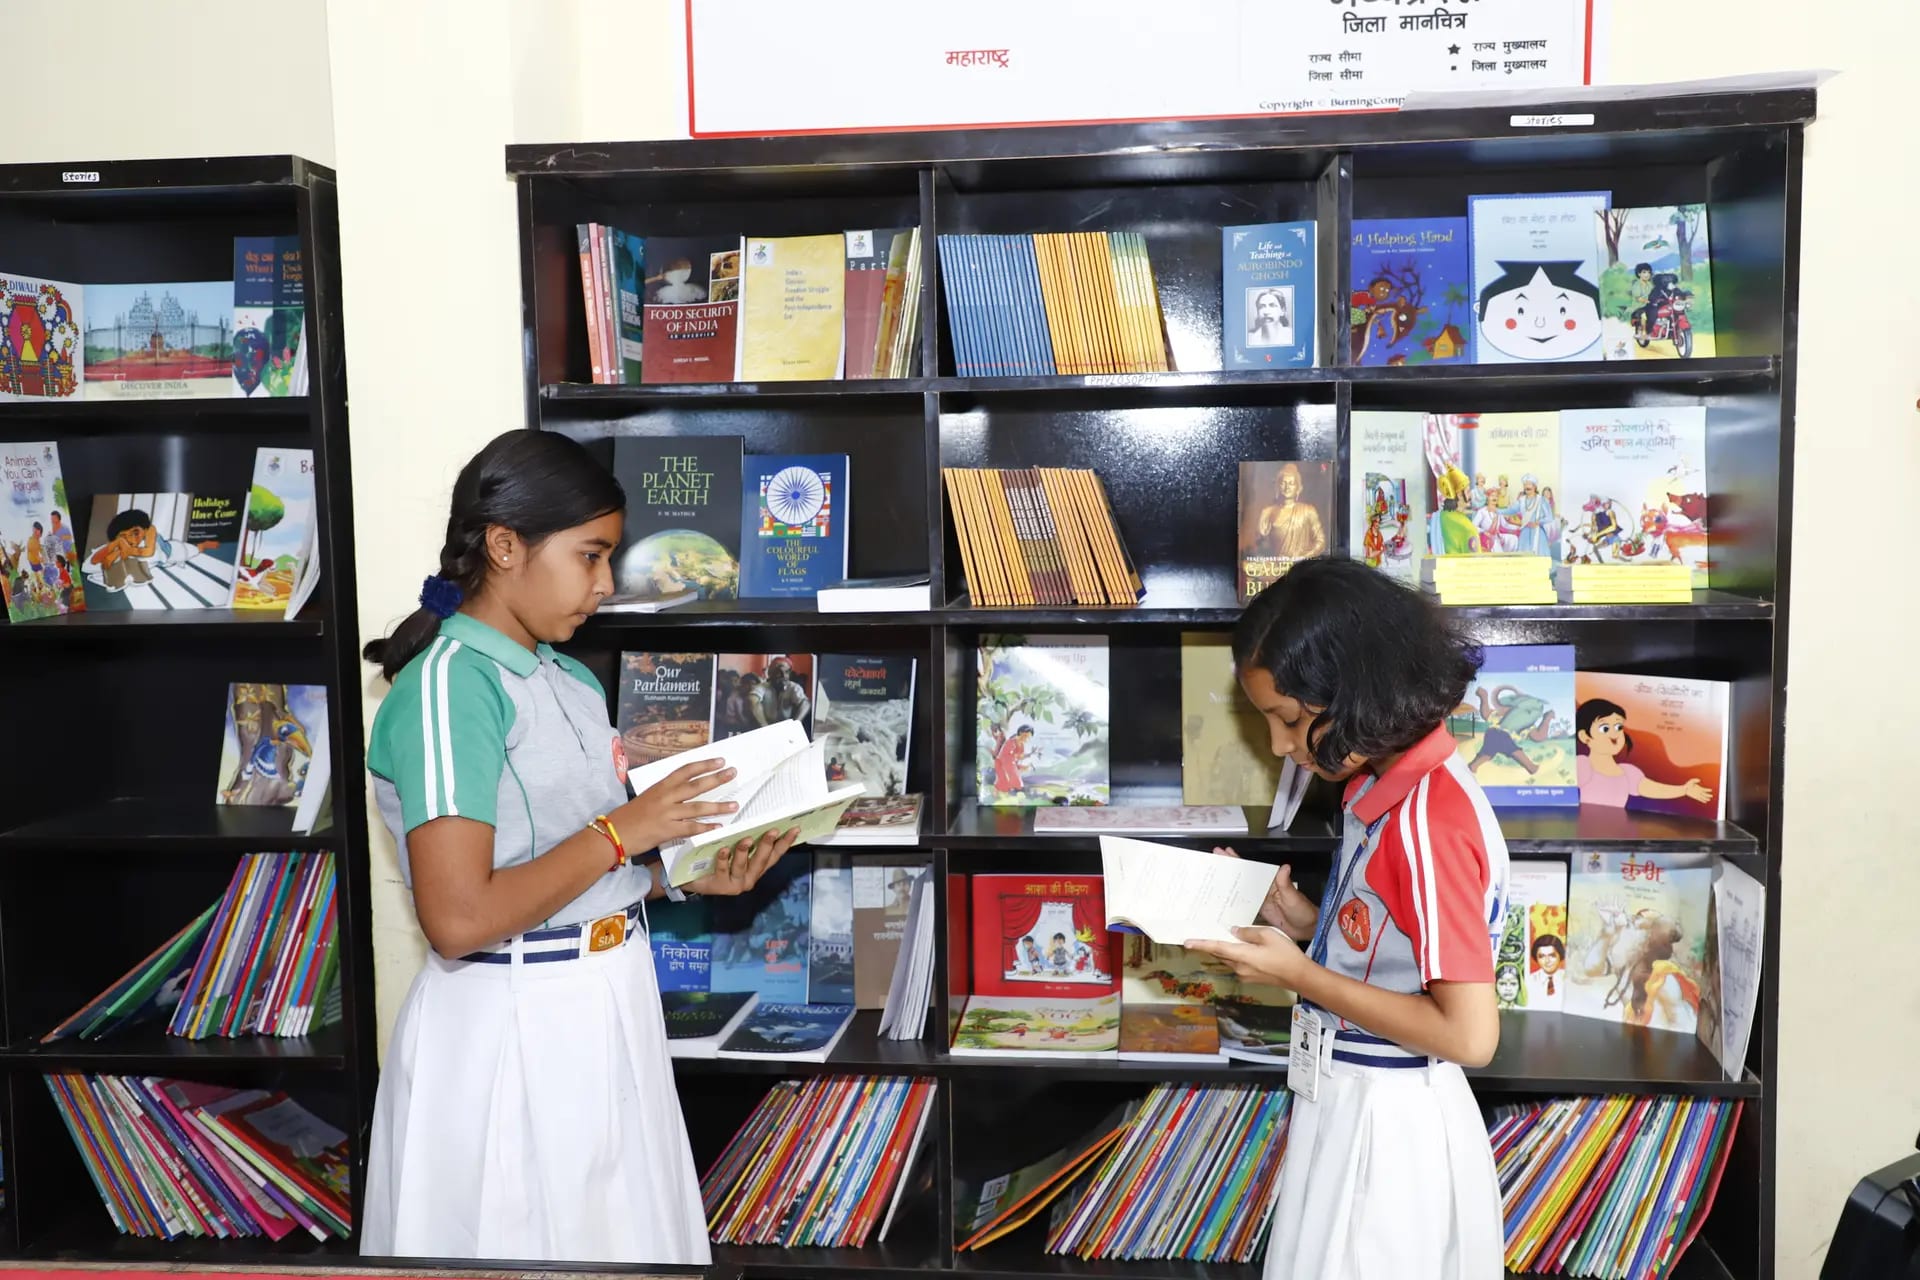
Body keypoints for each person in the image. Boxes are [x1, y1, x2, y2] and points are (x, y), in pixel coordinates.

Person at [358, 429, 800, 1263]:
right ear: (503, 545)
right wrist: (621, 832)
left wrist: (681, 875)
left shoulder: (568, 677)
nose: (604, 585)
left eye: (611, 558)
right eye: (590, 556)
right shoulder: (451, 686)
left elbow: (573, 861)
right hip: (514, 1021)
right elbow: (458, 918)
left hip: (608, 997)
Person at [1183, 556, 1509, 1280]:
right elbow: (1394, 947)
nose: (1277, 746)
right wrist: (1305, 923)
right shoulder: (1389, 789)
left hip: (1390, 1132)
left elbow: (1469, 1034)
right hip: (1356, 1105)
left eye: (1290, 720)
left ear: (1358, 693)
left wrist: (1298, 972)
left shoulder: (1428, 822)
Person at [1574, 697, 1714, 809]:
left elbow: (1652, 789)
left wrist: (1684, 790)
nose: (1614, 734)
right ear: (1584, 736)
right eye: (1605, 728)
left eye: (1618, 727)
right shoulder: (1582, 764)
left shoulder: (1627, 772)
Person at [1255, 462, 1327, 562]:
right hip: (1275, 567)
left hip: (1300, 565)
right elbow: (1260, 545)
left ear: (1298, 488)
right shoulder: (1267, 512)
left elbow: (1321, 541)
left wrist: (1303, 558)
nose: (1287, 487)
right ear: (1278, 486)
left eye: (1291, 483)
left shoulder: (1308, 511)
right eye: (1283, 483)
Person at [1525, 934, 1566, 1008]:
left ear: (1560, 955)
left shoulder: (1568, 980)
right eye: (1542, 956)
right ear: (1536, 958)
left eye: (1552, 955)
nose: (1547, 961)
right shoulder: (1529, 981)